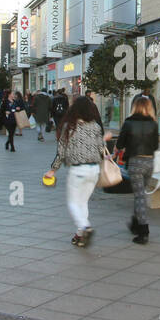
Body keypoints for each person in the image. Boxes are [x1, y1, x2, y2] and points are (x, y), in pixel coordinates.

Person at [44, 96, 110, 248]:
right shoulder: (95, 126)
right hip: (94, 170)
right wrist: (104, 139)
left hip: (78, 170)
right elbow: (101, 150)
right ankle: (80, 235)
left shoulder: (69, 126)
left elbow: (61, 152)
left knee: (73, 203)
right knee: (83, 202)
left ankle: (85, 227)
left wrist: (53, 170)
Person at [116, 94, 159, 245]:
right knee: (140, 195)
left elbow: (120, 144)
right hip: (150, 162)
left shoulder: (128, 123)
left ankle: (143, 230)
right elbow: (155, 146)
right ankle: (135, 223)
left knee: (139, 196)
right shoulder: (153, 124)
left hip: (135, 162)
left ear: (134, 106)